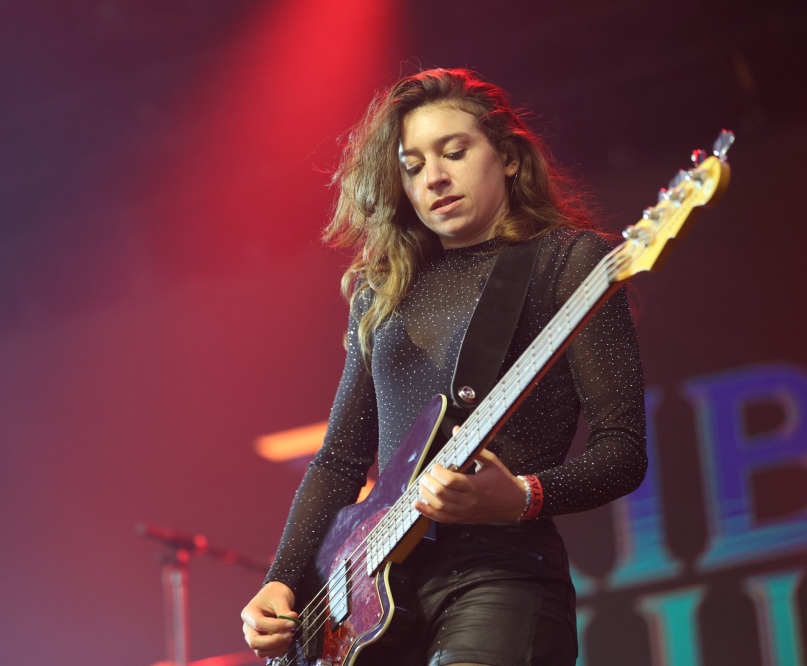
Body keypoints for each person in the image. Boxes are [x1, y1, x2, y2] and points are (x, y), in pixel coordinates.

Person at [240, 68, 646, 666]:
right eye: (412, 166)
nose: (433, 177)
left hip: (500, 578)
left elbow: (623, 450)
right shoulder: (381, 292)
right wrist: (282, 579)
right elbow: (340, 459)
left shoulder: (566, 261)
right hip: (376, 606)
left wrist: (522, 496)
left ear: (508, 157)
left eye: (454, 152)